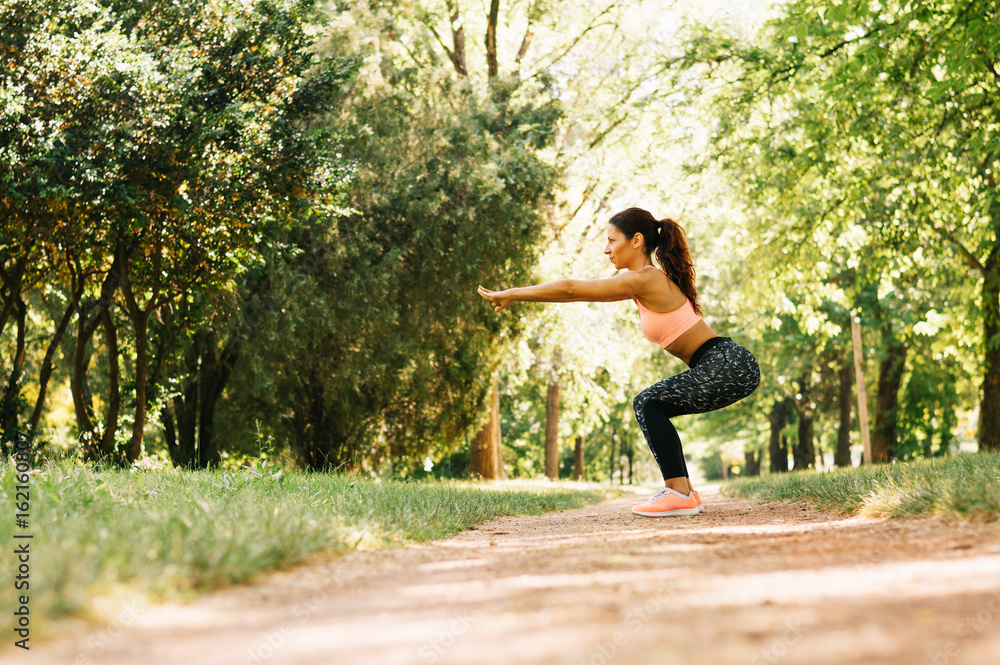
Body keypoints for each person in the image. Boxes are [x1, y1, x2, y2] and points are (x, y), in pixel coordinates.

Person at [477, 207, 760, 517]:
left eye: (612, 240)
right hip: (725, 363)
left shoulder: (644, 280)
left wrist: (515, 293)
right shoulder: (638, 284)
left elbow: (572, 289)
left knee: (648, 402)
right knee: (651, 403)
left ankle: (679, 491)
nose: (606, 248)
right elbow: (576, 294)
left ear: (636, 240)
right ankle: (684, 493)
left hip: (727, 363)